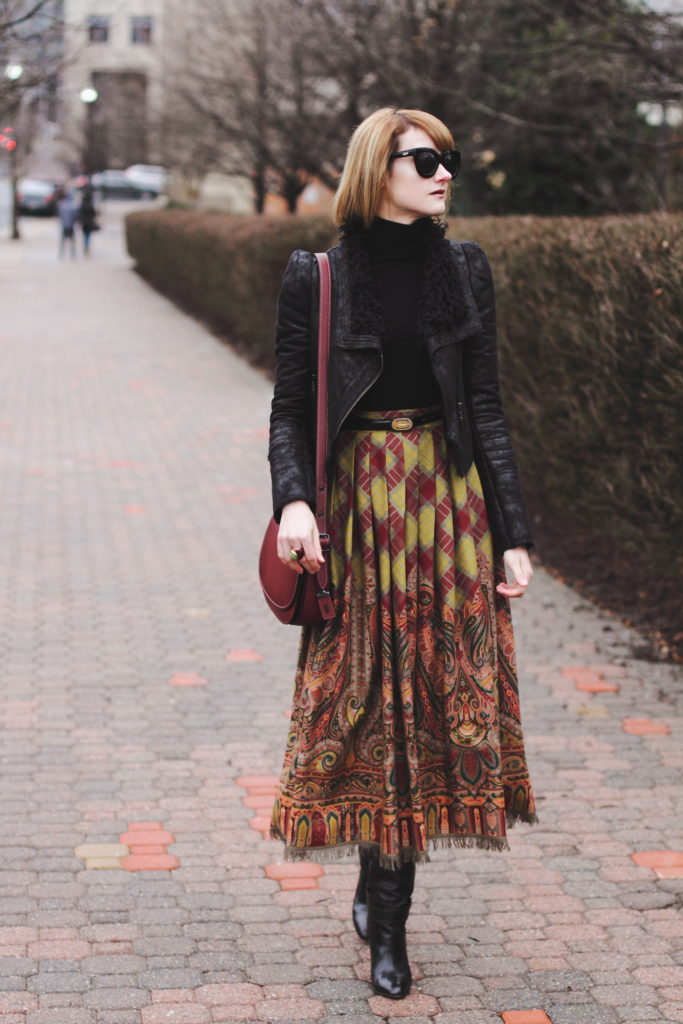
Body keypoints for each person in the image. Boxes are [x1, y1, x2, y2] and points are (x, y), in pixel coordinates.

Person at [267, 107, 538, 1000]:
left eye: (447, 158)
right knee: (365, 700)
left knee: (428, 697)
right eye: (424, 159)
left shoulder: (463, 268)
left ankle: (390, 921)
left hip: (447, 508)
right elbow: (289, 411)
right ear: (375, 168)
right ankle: (376, 886)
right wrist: (295, 502)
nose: (443, 172)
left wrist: (514, 533)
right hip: (357, 511)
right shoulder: (318, 276)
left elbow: (487, 405)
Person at [78, 183, 99, 256]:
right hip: (89, 222)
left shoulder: (83, 202)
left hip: (85, 222)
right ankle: (86, 247)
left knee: (85, 235)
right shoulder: (90, 203)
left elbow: (80, 212)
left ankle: (86, 247)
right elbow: (94, 213)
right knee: (88, 235)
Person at [57, 190, 79, 259]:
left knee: (63, 240)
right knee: (72, 240)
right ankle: (72, 253)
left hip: (64, 225)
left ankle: (62, 252)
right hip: (70, 225)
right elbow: (75, 216)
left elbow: (59, 215)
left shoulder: (61, 204)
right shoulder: (73, 206)